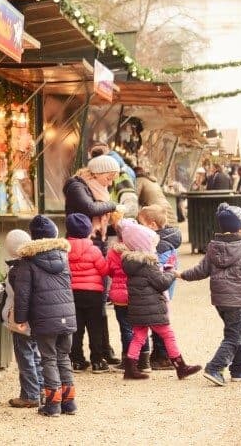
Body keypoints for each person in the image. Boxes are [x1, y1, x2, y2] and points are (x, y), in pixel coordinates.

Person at [178, 203, 241, 385]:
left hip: (220, 301)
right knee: (234, 338)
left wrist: (182, 275)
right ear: (240, 228)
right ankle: (215, 367)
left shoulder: (213, 246)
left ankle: (238, 369)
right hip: (236, 302)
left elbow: (201, 270)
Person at [119, 221, 201, 380]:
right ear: (145, 245)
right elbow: (161, 282)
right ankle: (180, 366)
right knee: (168, 335)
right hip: (152, 309)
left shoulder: (131, 264)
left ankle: (130, 367)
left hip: (138, 309)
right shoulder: (148, 264)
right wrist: (170, 272)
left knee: (138, 337)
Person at [13, 215, 77, 417]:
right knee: (63, 358)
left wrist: (20, 319)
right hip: (67, 315)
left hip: (44, 317)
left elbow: (23, 294)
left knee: (48, 359)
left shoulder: (28, 261)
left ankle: (53, 404)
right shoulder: (63, 257)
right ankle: (70, 402)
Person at [63, 154, 122, 366]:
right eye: (109, 177)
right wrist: (113, 206)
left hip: (95, 242)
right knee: (93, 311)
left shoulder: (95, 187)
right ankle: (93, 355)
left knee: (96, 309)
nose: (111, 182)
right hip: (89, 243)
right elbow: (90, 209)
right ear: (97, 173)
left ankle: (101, 351)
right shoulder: (76, 186)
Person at [1, 229, 44, 408]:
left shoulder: (17, 270)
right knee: (35, 355)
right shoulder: (36, 264)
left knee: (25, 356)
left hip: (22, 321)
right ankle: (41, 389)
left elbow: (20, 297)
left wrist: (18, 320)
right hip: (36, 319)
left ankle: (30, 394)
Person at [137, 205, 182, 370]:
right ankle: (159, 354)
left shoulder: (161, 245)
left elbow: (159, 269)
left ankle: (162, 356)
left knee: (159, 321)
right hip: (163, 285)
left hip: (161, 287)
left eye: (140, 223)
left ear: (152, 225)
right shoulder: (167, 239)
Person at [65, 213, 110, 373]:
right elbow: (104, 270)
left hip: (72, 294)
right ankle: (97, 360)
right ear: (87, 231)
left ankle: (77, 360)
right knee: (95, 327)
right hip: (93, 295)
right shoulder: (94, 250)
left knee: (76, 328)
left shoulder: (64, 250)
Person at [106, 218, 151, 372]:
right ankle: (144, 362)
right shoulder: (141, 249)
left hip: (120, 297)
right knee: (141, 327)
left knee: (126, 328)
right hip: (138, 294)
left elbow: (109, 271)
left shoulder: (114, 251)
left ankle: (128, 360)